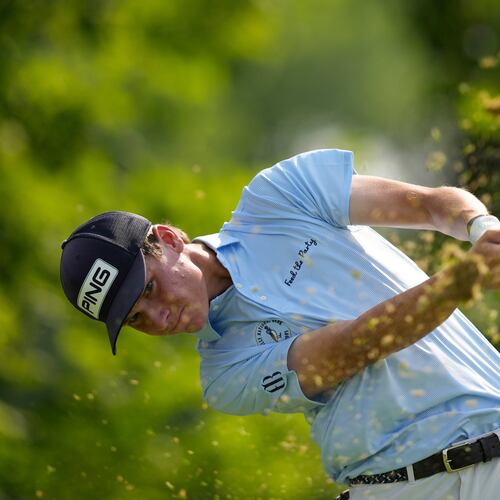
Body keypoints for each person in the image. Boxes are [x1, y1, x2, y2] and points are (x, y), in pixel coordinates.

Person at [60, 149, 500, 500]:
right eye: (137, 319)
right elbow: (355, 346)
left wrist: (481, 228)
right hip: (398, 488)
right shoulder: (224, 374)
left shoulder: (279, 196)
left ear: (170, 240)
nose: (159, 317)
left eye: (151, 289)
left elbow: (427, 204)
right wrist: (464, 278)